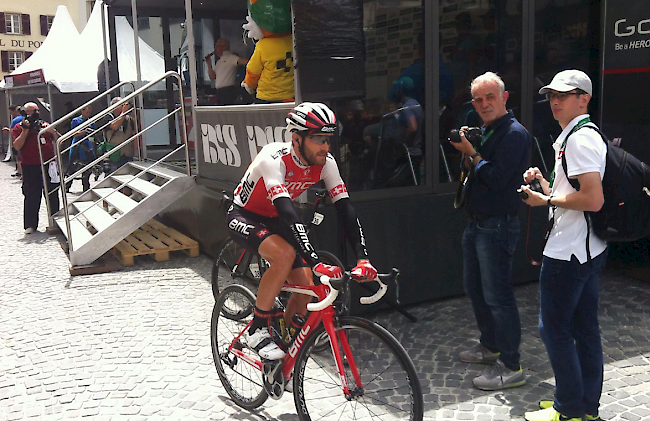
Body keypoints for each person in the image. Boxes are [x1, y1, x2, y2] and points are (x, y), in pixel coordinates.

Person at [228, 102, 377, 361]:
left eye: (328, 139)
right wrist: (317, 262)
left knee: (305, 288)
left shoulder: (326, 163)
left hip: (275, 218)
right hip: (245, 214)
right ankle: (256, 328)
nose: (325, 146)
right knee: (284, 256)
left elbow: (345, 209)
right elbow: (287, 212)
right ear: (297, 139)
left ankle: (282, 346)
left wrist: (363, 258)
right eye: (318, 139)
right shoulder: (273, 158)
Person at [520, 70, 606, 421]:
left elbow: (593, 199)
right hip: (588, 248)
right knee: (585, 329)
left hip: (569, 252)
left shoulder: (579, 140)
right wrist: (544, 182)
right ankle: (585, 408)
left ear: (584, 99)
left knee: (553, 329)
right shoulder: (578, 135)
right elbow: (574, 189)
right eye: (552, 94)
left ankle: (568, 408)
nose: (555, 100)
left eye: (565, 94)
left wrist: (545, 202)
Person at [449, 72, 531, 390]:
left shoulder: (514, 133)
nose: (484, 104)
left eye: (490, 97)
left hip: (498, 223)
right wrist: (471, 151)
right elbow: (479, 170)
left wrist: (472, 152)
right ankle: (490, 345)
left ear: (504, 97)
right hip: (477, 222)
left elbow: (497, 179)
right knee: (476, 289)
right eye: (479, 100)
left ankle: (510, 365)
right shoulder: (488, 130)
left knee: (499, 296)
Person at [12, 102, 60, 234]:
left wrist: (52, 131)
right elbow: (16, 146)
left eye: (38, 111)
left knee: (52, 193)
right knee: (31, 195)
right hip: (30, 166)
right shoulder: (18, 127)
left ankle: (55, 221)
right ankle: (31, 224)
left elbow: (60, 140)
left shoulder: (44, 125)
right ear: (26, 113)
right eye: (34, 111)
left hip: (48, 164)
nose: (37, 113)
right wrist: (26, 129)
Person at [204, 39, 248, 106]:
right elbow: (212, 77)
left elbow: (246, 61)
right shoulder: (219, 62)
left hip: (228, 90)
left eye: (217, 46)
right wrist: (209, 65)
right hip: (219, 92)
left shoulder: (231, 57)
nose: (215, 48)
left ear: (224, 47)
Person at [67, 105, 97, 192]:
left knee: (87, 165)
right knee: (73, 166)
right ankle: (67, 186)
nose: (88, 114)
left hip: (87, 144)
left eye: (89, 113)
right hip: (77, 144)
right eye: (86, 112)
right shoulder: (76, 120)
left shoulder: (91, 121)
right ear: (82, 111)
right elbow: (74, 133)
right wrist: (84, 131)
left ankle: (86, 186)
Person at [103, 97, 137, 170]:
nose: (124, 107)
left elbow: (137, 129)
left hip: (128, 152)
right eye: (122, 105)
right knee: (112, 174)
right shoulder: (108, 117)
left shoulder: (128, 118)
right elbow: (115, 126)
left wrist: (134, 114)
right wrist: (123, 113)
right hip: (114, 154)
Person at [3, 105, 24, 176]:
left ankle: (20, 172)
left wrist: (7, 130)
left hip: (17, 140)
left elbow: (12, 131)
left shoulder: (15, 120)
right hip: (27, 140)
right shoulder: (27, 118)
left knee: (18, 157)